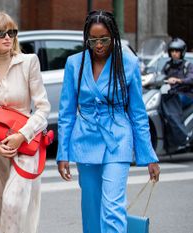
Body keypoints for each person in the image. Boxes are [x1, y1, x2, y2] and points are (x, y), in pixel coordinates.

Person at [56, 10, 161, 233]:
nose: (99, 45)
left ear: (113, 36)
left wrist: (149, 157)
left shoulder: (129, 63)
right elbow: (66, 114)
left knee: (113, 206)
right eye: (93, 40)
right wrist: (62, 153)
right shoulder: (75, 64)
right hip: (85, 139)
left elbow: (138, 114)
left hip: (118, 139)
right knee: (91, 208)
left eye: (104, 39)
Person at [0, 12, 50, 233]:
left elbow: (43, 108)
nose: (8, 37)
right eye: (1, 33)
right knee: (1, 211)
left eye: (12, 32)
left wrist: (22, 135)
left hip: (25, 144)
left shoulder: (28, 62)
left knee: (13, 202)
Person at [160, 37, 193, 151]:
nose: (174, 54)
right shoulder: (168, 65)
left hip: (186, 95)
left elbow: (191, 78)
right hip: (171, 93)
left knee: (171, 105)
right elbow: (159, 76)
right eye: (172, 51)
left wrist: (179, 81)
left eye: (177, 51)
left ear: (182, 52)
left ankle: (182, 136)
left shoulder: (187, 65)